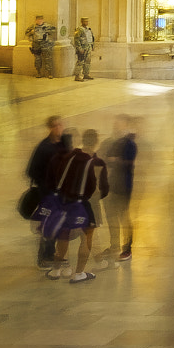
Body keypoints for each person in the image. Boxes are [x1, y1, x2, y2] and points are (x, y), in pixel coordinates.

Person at [40, 128, 110, 282]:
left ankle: (56, 270)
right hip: (84, 204)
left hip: (64, 203)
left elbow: (53, 179)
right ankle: (79, 273)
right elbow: (100, 188)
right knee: (87, 238)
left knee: (63, 235)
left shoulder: (66, 158)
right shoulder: (95, 161)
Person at [26, 115, 71, 267]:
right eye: (55, 126)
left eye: (60, 125)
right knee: (48, 225)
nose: (58, 128)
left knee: (56, 224)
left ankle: (51, 255)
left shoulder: (64, 143)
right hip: (48, 194)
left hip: (61, 193)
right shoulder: (43, 147)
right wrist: (46, 184)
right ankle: (44, 257)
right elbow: (31, 171)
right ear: (50, 128)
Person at [101, 114, 137, 262]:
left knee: (123, 216)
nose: (116, 126)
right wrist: (113, 160)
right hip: (112, 184)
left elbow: (127, 163)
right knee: (111, 216)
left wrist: (114, 161)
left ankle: (127, 248)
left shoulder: (129, 143)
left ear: (126, 125)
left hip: (124, 185)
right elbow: (105, 157)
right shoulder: (113, 142)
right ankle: (114, 245)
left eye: (119, 123)